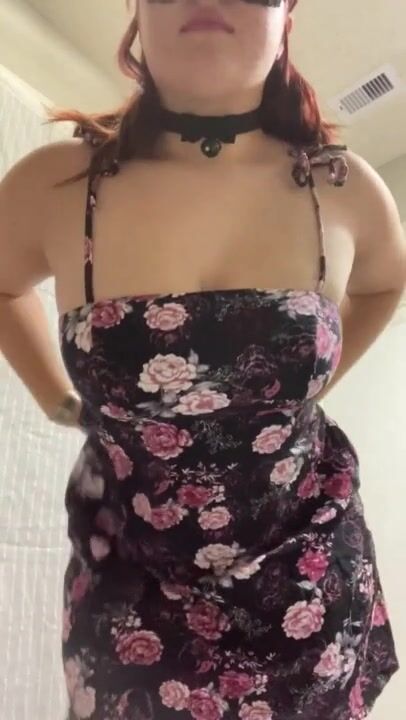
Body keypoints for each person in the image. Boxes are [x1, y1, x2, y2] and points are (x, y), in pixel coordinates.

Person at [0, 0, 404, 718]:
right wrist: (53, 399)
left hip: (304, 590)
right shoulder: (56, 185)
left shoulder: (341, 187)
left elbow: (385, 282)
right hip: (131, 589)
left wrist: (312, 389)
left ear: (287, 19)